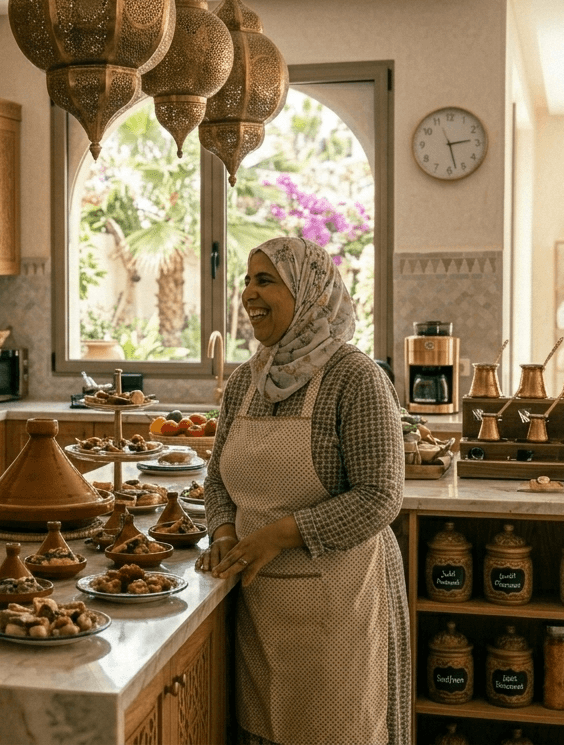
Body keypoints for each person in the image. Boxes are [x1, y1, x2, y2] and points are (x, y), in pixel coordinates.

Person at [196, 237, 409, 745]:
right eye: (247, 280)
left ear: (309, 293)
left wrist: (277, 537)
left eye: (265, 280)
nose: (249, 293)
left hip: (339, 608)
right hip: (259, 606)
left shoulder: (355, 377)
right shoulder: (249, 379)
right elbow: (218, 480)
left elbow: (379, 496)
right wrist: (224, 532)